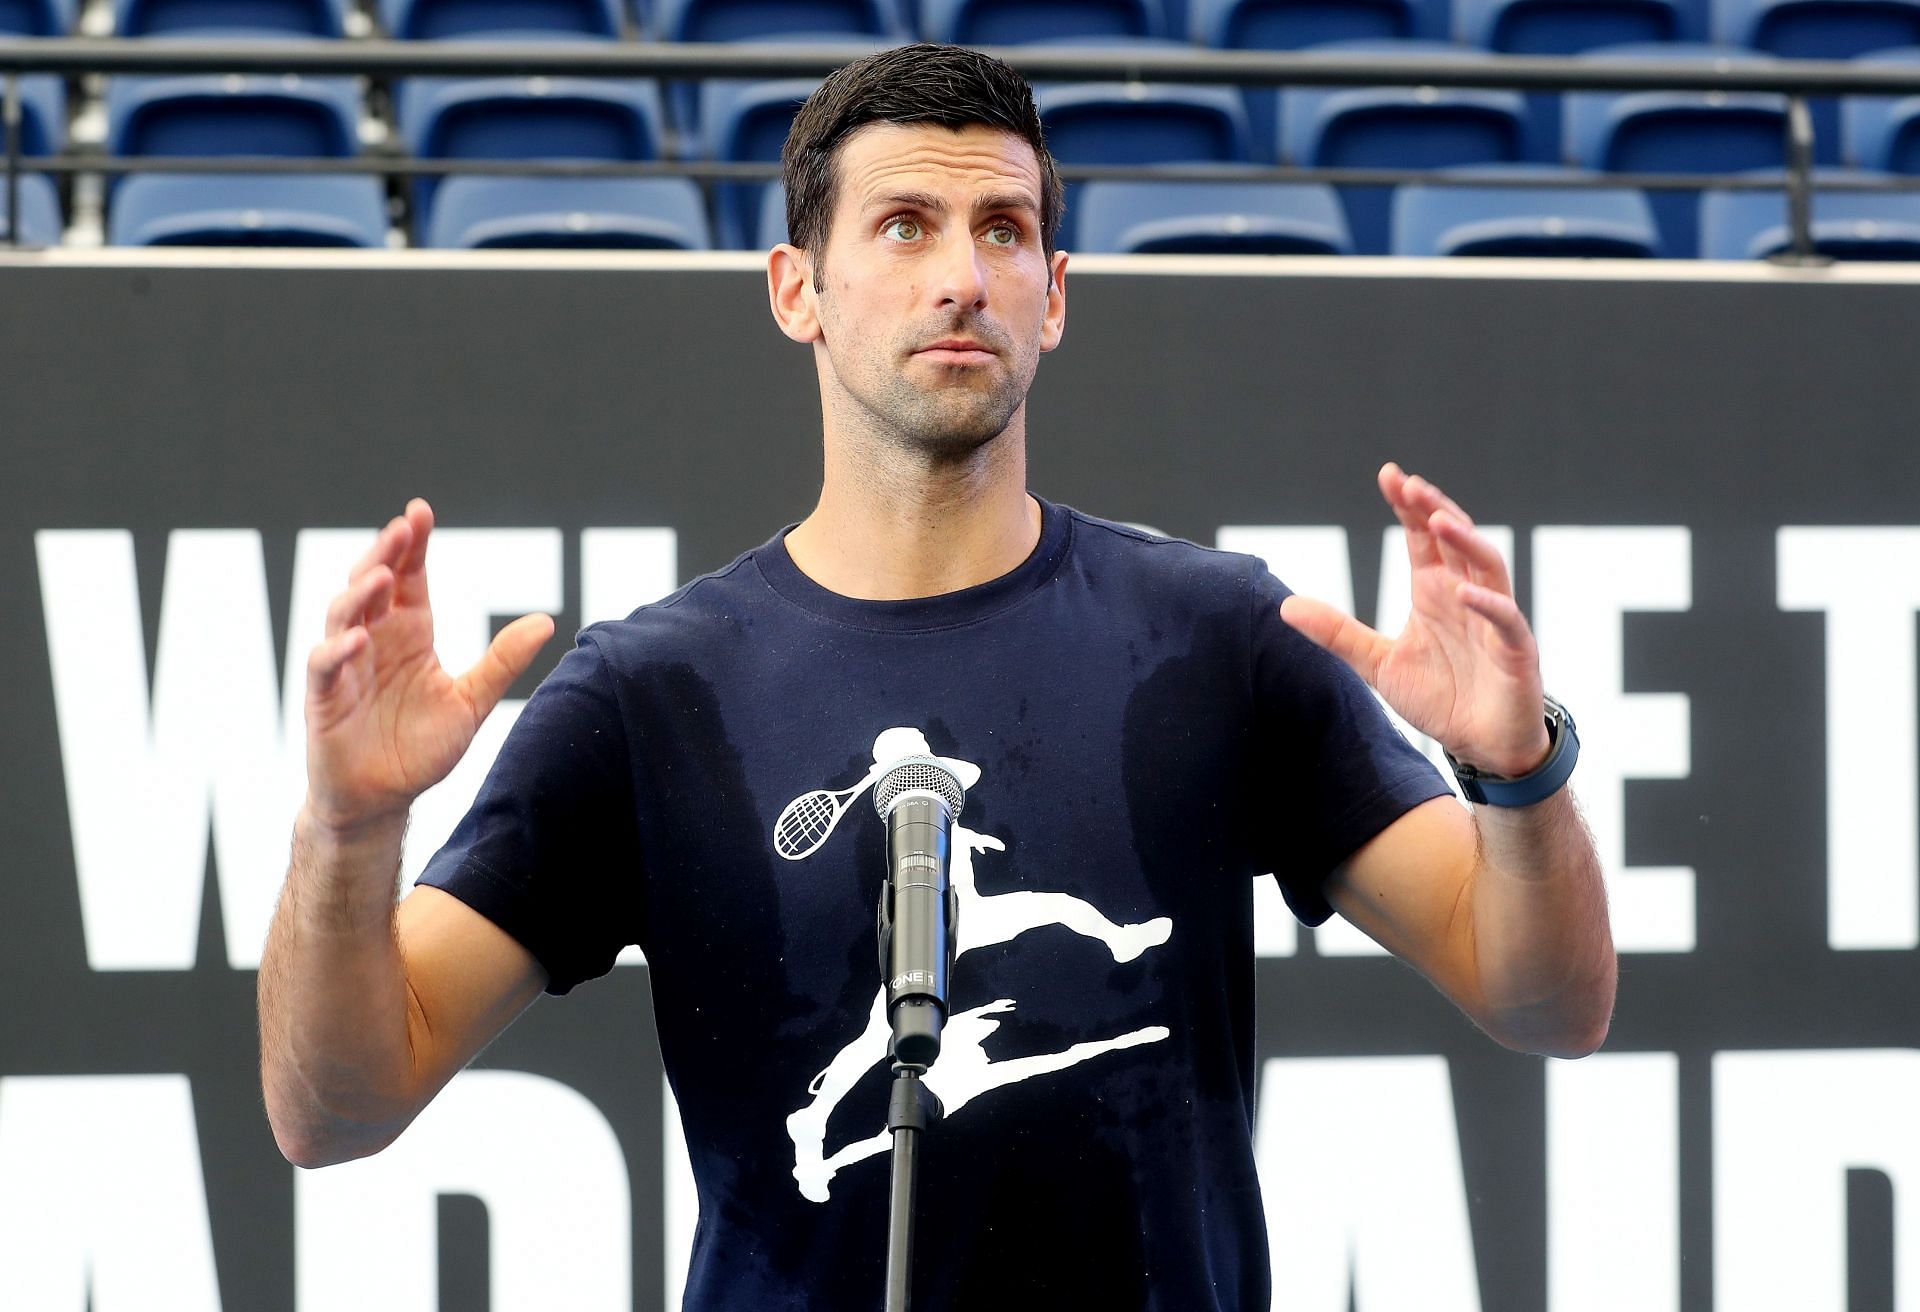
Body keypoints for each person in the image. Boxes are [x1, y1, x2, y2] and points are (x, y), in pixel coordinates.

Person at [258, 42, 1615, 1310]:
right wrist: (349, 830)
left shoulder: (1217, 638)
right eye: (905, 226)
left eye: (1003, 231)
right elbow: (335, 1110)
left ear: (1056, 293)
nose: (961, 275)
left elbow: (1545, 1000)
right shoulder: (649, 697)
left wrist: (1516, 773)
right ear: (799, 289)